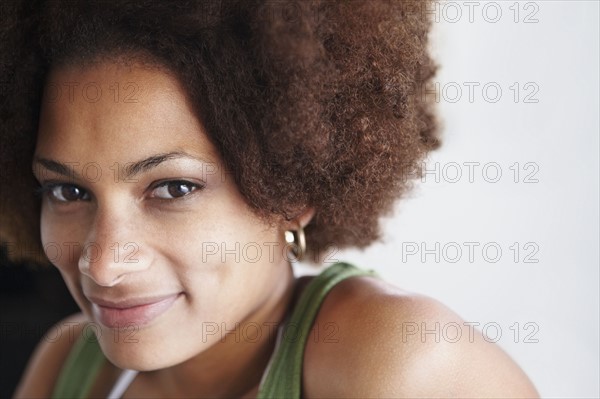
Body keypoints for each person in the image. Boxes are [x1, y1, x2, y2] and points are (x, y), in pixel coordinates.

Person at [1, 1, 539, 397]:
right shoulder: (68, 366)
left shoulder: (397, 361)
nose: (103, 263)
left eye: (173, 188)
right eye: (67, 191)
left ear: (292, 188)